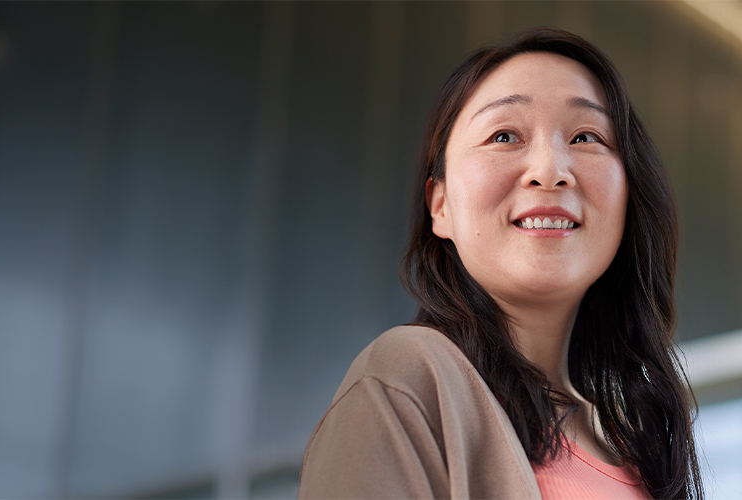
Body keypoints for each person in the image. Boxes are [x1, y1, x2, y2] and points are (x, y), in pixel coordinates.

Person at [297, 28, 703, 500]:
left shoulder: (632, 443)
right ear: (440, 206)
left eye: (585, 137)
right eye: (504, 135)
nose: (550, 171)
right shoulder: (407, 377)